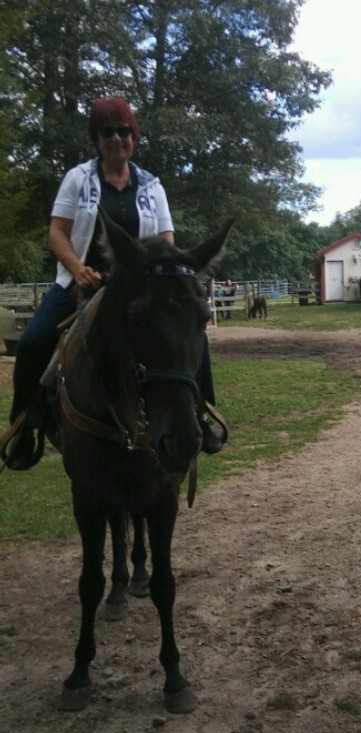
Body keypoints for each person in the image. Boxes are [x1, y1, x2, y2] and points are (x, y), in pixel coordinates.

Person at [5, 97, 224, 469]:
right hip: (80, 281)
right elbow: (58, 233)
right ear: (97, 139)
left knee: (191, 337)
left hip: (137, 286)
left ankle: (201, 413)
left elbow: (166, 240)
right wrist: (77, 268)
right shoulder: (78, 179)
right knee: (33, 342)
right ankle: (24, 426)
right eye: (107, 132)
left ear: (133, 138)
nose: (116, 138)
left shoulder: (152, 186)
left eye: (124, 131)